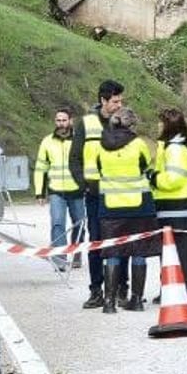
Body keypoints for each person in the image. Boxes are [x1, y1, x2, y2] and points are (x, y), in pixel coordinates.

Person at [90, 105, 158, 314]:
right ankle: (136, 300)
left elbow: (97, 171)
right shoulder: (138, 144)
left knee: (112, 251)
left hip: (110, 207)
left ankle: (109, 302)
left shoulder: (101, 146)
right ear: (132, 125)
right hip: (139, 206)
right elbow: (147, 168)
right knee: (139, 251)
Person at [72, 81, 126, 308]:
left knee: (122, 243)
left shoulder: (124, 121)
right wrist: (83, 184)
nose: (119, 104)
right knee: (96, 243)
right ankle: (96, 291)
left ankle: (122, 290)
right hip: (94, 194)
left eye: (121, 100)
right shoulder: (86, 123)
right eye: (115, 101)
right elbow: (75, 158)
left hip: (119, 194)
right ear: (103, 101)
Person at [152, 108, 187, 302]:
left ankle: (179, 292)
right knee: (171, 252)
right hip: (174, 207)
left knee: (175, 253)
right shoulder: (172, 147)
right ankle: (171, 290)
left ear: (168, 125)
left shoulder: (174, 149)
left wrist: (154, 178)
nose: (158, 126)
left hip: (177, 207)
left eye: (161, 122)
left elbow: (174, 179)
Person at [34, 107, 84, 265]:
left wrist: (88, 185)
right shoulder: (47, 141)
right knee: (57, 223)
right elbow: (40, 168)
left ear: (70, 121)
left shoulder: (79, 140)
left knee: (79, 224)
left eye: (64, 120)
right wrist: (39, 193)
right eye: (58, 120)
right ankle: (60, 259)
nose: (61, 123)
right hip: (56, 191)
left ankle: (77, 253)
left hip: (77, 190)